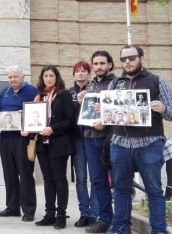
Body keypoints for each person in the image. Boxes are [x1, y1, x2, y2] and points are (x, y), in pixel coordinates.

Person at [106, 45, 172, 234]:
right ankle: (120, 228)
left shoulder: (156, 81)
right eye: (123, 59)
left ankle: (158, 230)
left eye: (131, 58)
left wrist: (163, 109)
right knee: (121, 189)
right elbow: (107, 116)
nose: (127, 62)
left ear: (142, 59)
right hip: (120, 144)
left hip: (149, 143)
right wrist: (102, 110)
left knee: (153, 189)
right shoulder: (115, 84)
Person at [77, 50, 116, 233]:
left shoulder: (117, 84)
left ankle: (120, 222)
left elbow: (123, 110)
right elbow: (87, 111)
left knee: (118, 182)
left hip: (111, 139)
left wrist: (105, 119)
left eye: (102, 63)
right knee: (98, 181)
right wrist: (80, 100)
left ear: (110, 65)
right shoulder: (91, 86)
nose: (99, 67)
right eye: (96, 64)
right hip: (90, 139)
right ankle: (104, 219)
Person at [0, 66, 38, 221]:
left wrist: (26, 114)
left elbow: (39, 112)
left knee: (25, 174)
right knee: (9, 173)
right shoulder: (4, 92)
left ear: (23, 77)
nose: (12, 79)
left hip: (23, 138)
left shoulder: (32, 91)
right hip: (6, 137)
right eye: (10, 77)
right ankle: (12, 207)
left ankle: (29, 210)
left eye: (15, 76)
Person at [33, 65, 74, 229]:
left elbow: (70, 120)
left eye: (51, 75)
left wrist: (53, 129)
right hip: (42, 145)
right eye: (45, 76)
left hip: (59, 143)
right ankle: (49, 214)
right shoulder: (39, 97)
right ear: (42, 78)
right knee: (48, 180)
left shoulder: (63, 95)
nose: (48, 79)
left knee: (59, 179)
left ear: (57, 77)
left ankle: (61, 215)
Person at [67, 61, 98, 228]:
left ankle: (94, 214)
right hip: (77, 139)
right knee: (80, 178)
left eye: (83, 71)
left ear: (89, 73)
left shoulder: (95, 89)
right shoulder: (69, 93)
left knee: (95, 177)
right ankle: (84, 213)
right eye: (77, 71)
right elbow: (68, 116)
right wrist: (77, 104)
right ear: (73, 74)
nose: (80, 74)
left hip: (93, 137)